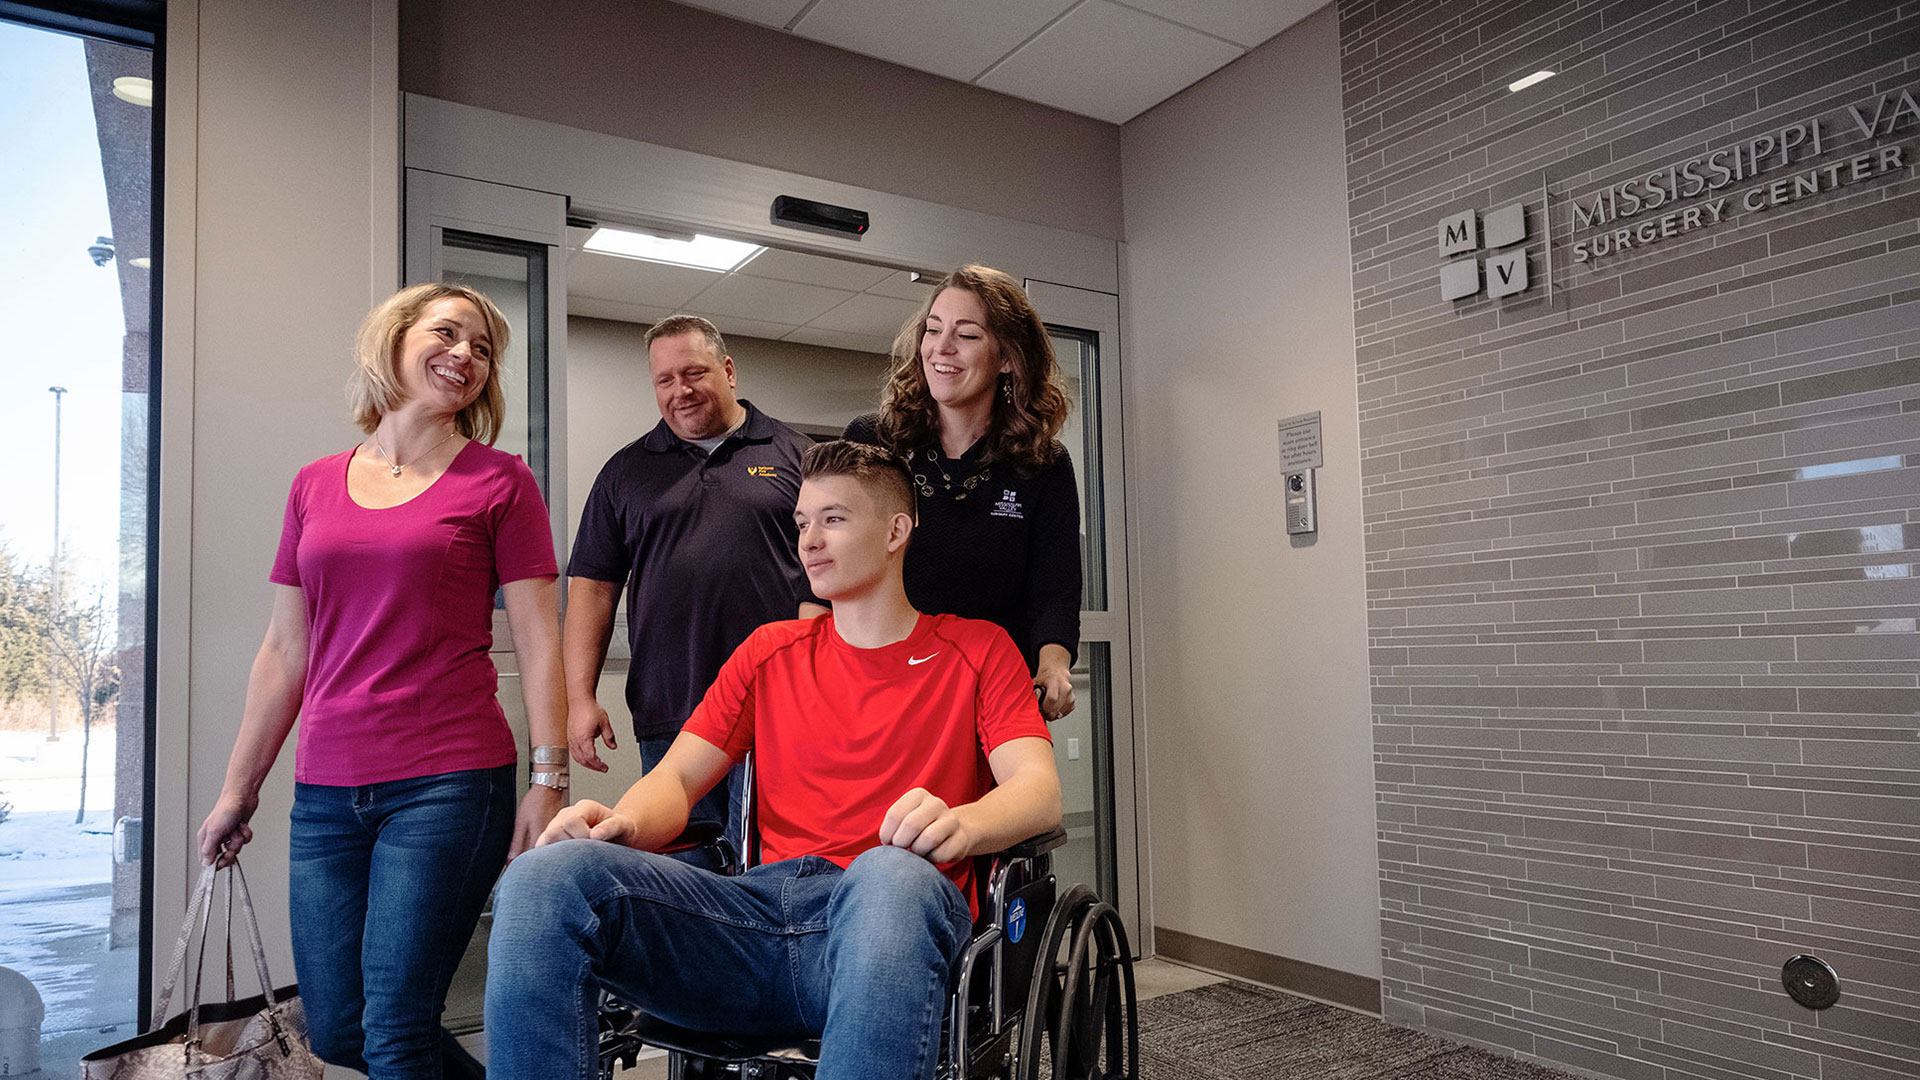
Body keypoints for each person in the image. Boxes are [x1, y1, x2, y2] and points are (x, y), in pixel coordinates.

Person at [485, 441, 1061, 1080]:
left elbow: (1036, 787)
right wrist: (620, 824)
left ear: (898, 530)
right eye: (801, 523)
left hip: (886, 924)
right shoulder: (770, 650)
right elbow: (676, 777)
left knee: (888, 871)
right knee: (544, 876)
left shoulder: (979, 649)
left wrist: (964, 824)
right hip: (755, 924)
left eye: (834, 519)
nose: (809, 540)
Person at [197, 283, 567, 1080]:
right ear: (393, 342)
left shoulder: (501, 483)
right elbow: (283, 650)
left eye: (483, 349)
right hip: (327, 791)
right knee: (337, 1030)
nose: (466, 355)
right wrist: (239, 788)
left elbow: (541, 641)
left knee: (398, 1026)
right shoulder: (314, 484)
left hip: (447, 781)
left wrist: (549, 777)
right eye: (448, 333)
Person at [564, 314, 823, 867]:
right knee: (684, 878)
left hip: (776, 713)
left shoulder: (798, 456)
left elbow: (828, 586)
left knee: (774, 870)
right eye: (665, 380)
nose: (680, 391)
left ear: (728, 371)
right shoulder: (625, 471)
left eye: (694, 373)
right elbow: (593, 588)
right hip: (670, 712)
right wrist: (580, 696)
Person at [844, 264, 1081, 720]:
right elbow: (831, 565)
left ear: (1008, 357)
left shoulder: (1043, 463)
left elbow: (1055, 590)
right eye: (933, 330)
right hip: (885, 690)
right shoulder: (874, 442)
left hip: (992, 695)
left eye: (967, 335)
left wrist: (1053, 666)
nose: (941, 348)